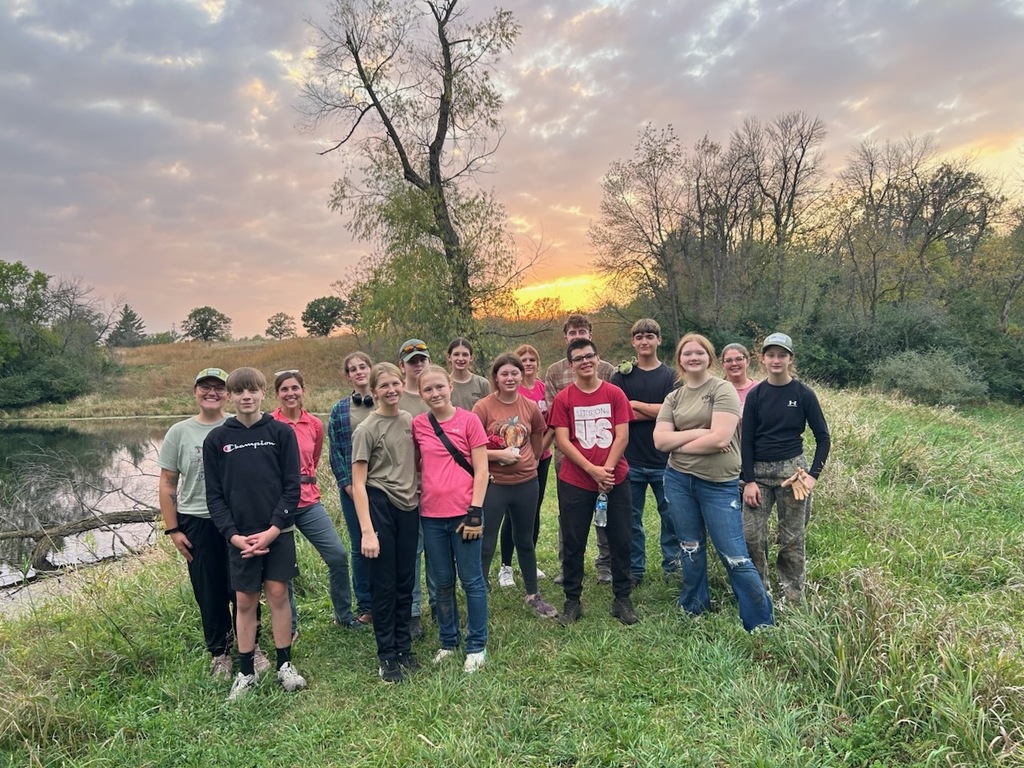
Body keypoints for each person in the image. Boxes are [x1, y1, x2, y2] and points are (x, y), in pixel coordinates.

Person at [653, 334, 774, 633]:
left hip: (718, 484)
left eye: (699, 353)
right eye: (687, 354)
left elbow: (720, 438)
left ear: (710, 357)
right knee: (691, 548)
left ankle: (760, 622)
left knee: (734, 554)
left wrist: (678, 443)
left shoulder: (723, 390)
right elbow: (659, 441)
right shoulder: (674, 397)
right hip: (679, 481)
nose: (693, 358)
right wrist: (699, 434)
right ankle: (694, 606)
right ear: (679, 360)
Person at [158, 367, 269, 681]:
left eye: (219, 388)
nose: (212, 393)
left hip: (238, 521)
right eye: (204, 387)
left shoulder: (240, 426)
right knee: (209, 591)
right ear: (195, 392)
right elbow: (167, 484)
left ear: (228, 394)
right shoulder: (179, 432)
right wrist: (174, 529)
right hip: (197, 522)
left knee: (244, 588)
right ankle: (220, 652)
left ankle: (252, 647)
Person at [203, 367, 306, 701]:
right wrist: (234, 536)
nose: (246, 397)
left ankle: (285, 665)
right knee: (245, 601)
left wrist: (274, 530)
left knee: (278, 594)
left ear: (264, 393)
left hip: (277, 532)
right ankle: (245, 671)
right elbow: (215, 497)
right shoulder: (217, 439)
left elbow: (292, 487)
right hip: (240, 539)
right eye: (239, 392)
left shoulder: (280, 433)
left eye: (252, 391)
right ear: (230, 397)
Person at [549, 338, 637, 626]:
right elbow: (562, 439)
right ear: (571, 365)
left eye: (589, 356)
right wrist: (592, 471)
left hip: (616, 479)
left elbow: (622, 435)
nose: (585, 361)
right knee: (574, 542)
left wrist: (607, 471)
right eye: (578, 358)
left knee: (621, 539)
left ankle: (622, 598)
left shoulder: (614, 394)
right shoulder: (564, 399)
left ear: (598, 358)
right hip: (576, 480)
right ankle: (572, 601)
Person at [741, 332, 831, 605]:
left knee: (792, 538)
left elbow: (823, 437)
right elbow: (746, 440)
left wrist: (813, 475)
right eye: (771, 355)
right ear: (762, 359)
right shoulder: (756, 395)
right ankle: (760, 594)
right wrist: (749, 481)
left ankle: (792, 597)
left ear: (791, 359)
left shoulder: (803, 394)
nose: (776, 360)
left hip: (794, 473)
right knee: (751, 536)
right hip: (759, 473)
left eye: (782, 355)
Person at [412, 365, 491, 672]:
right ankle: (448, 640)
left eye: (439, 387)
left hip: (464, 514)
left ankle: (476, 644)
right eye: (428, 390)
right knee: (442, 582)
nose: (435, 394)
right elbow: (416, 465)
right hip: (432, 516)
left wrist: (475, 511)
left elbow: (481, 469)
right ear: (421, 394)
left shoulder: (468, 420)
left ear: (449, 386)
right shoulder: (419, 424)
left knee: (472, 581)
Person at [272, 370, 361, 638]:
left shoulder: (314, 424)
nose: (291, 393)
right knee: (283, 567)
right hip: (278, 504)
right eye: (285, 389)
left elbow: (314, 459)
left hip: (309, 501)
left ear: (303, 390)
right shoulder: (269, 424)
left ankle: (343, 616)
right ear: (277, 394)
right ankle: (291, 625)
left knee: (338, 555)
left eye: (295, 388)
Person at [473, 353, 558, 619]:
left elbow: (536, 436)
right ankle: (478, 595)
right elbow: (472, 449)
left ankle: (533, 595)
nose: (510, 378)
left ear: (522, 376)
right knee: (486, 543)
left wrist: (530, 460)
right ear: (495, 378)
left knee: (525, 539)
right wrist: (499, 457)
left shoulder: (530, 406)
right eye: (504, 374)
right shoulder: (483, 407)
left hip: (526, 483)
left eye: (515, 373)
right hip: (495, 484)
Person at [350, 362, 420, 683]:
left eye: (396, 383)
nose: (391, 390)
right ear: (374, 390)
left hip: (409, 507)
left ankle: (404, 648)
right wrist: (367, 531)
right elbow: (359, 483)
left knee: (406, 580)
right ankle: (387, 655)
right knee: (385, 584)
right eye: (384, 386)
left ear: (403, 383)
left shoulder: (408, 420)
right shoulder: (366, 429)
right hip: (380, 506)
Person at [544, 313, 617, 585]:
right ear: (566, 338)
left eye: (582, 331)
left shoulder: (608, 370)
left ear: (590, 335)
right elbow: (554, 416)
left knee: (605, 510)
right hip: (568, 458)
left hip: (604, 453)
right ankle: (568, 566)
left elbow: (615, 413)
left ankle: (606, 565)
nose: (578, 336)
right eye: (573, 333)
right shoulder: (554, 372)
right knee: (569, 516)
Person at [611, 319, 678, 586]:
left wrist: (636, 405)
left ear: (659, 340)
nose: (644, 341)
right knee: (631, 521)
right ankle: (634, 571)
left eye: (650, 336)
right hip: (631, 460)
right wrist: (658, 411)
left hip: (666, 461)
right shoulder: (621, 376)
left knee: (671, 518)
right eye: (639, 337)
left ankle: (672, 569)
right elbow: (620, 416)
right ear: (633, 342)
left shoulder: (672, 376)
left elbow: (674, 415)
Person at [496, 343, 552, 588]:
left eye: (532, 359)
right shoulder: (512, 393)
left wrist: (537, 454)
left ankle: (528, 561)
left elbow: (544, 426)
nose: (527, 363)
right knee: (511, 515)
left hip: (539, 458)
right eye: (523, 360)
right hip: (508, 462)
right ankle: (506, 565)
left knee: (532, 513)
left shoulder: (542, 388)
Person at [328, 352, 376, 626]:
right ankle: (366, 604)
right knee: (360, 546)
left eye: (363, 367)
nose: (359, 372)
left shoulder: (385, 400)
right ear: (348, 376)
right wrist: (347, 484)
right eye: (353, 369)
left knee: (384, 543)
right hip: (353, 489)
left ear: (371, 370)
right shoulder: (339, 410)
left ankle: (387, 599)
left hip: (385, 486)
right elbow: (335, 450)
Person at [397, 338, 431, 640]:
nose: (418, 365)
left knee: (439, 552)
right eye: (412, 361)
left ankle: (442, 604)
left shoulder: (436, 394)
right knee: (413, 553)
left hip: (439, 488)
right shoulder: (399, 398)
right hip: (409, 490)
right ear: (402, 366)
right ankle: (413, 612)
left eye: (422, 359)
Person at [447, 337, 490, 410]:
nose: (460, 359)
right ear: (449, 357)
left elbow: (489, 412)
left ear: (471, 358)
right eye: (456, 354)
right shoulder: (443, 384)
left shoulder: (482, 384)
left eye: (465, 355)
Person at [721, 343, 759, 407]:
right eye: (728, 360)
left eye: (739, 359)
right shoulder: (718, 390)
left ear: (748, 361)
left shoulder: (759, 389)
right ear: (723, 364)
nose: (734, 364)